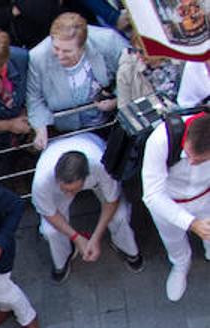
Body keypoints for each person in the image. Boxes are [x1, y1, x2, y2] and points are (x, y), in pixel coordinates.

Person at [31, 134, 142, 283]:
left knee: (120, 216)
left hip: (92, 148)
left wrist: (95, 238)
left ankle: (126, 247)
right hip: (58, 162)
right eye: (65, 189)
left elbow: (112, 201)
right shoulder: (42, 181)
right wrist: (77, 238)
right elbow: (49, 213)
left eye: (74, 189)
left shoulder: (101, 165)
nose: (69, 195)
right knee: (49, 231)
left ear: (86, 177)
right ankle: (63, 258)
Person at [25, 14, 125, 151]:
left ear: (82, 46)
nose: (59, 55)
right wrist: (41, 127)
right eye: (56, 48)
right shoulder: (37, 57)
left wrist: (116, 99)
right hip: (67, 130)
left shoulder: (108, 41)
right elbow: (34, 97)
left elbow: (130, 73)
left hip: (111, 120)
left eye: (67, 51)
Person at [140, 111, 210, 303]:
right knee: (172, 238)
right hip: (168, 202)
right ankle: (180, 264)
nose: (193, 163)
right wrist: (191, 223)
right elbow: (153, 194)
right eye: (188, 156)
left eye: (202, 160)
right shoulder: (160, 140)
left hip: (207, 197)